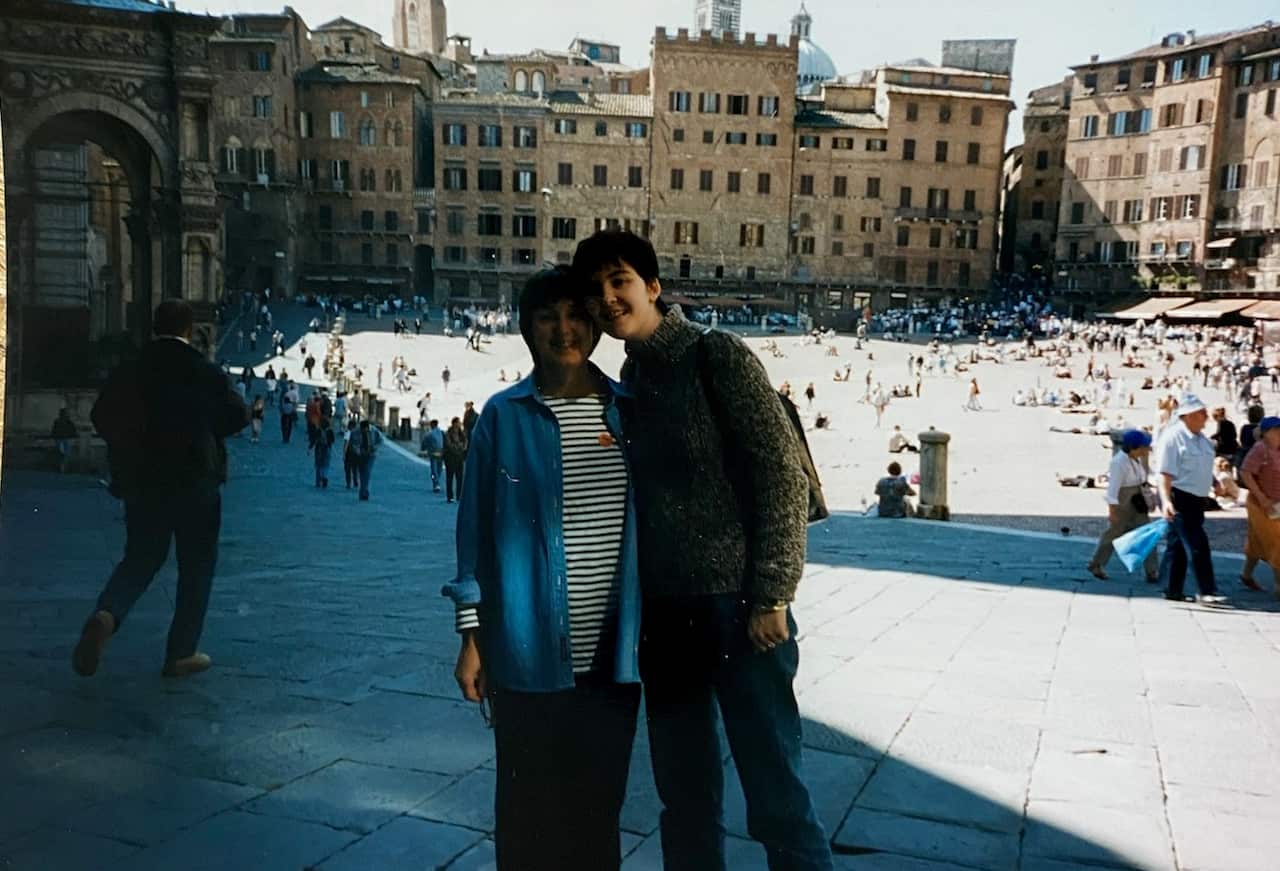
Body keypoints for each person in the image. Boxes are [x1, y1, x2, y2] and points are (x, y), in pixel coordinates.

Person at [573, 230, 833, 871]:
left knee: (777, 793)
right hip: (666, 619)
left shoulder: (717, 355)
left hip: (741, 611)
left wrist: (774, 593)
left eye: (621, 281)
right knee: (684, 799)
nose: (608, 299)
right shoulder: (628, 382)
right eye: (597, 289)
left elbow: (781, 475)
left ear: (654, 286)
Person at [443, 267, 642, 871]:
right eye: (548, 317)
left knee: (598, 815)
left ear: (595, 323)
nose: (565, 329)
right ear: (527, 328)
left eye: (576, 315)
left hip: (613, 659)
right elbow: (473, 534)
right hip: (526, 653)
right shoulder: (503, 416)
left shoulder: (628, 411)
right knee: (527, 816)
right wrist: (471, 638)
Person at [74, 300, 250, 678]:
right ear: (188, 329)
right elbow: (238, 414)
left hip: (144, 481)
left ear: (155, 326)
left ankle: (107, 614)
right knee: (197, 566)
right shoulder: (203, 370)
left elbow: (100, 415)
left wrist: (130, 448)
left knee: (140, 557)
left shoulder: (132, 369)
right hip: (195, 482)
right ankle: (180, 652)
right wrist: (204, 431)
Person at [1153, 393, 1229, 606]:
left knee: (1177, 545)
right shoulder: (1172, 438)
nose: (1206, 417)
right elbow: (1165, 473)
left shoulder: (1203, 440)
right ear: (1187, 416)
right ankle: (1206, 590)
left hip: (1197, 498)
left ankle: (1171, 588)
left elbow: (1202, 466)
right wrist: (1166, 500)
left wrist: (1214, 482)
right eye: (1201, 413)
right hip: (1179, 495)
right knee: (1197, 543)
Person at [1087, 429, 1158, 582]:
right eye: (1144, 447)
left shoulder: (1136, 460)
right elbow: (1113, 489)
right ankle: (1096, 563)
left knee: (1147, 534)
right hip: (1123, 501)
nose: (1147, 450)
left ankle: (1152, 571)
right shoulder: (1119, 462)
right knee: (1113, 534)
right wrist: (1113, 511)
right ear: (1134, 447)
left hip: (1136, 500)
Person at [1239, 416, 1280, 594]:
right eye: (1276, 429)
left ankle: (1246, 575)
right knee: (1277, 542)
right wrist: (1262, 498)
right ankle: (1279, 586)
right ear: (1265, 433)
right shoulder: (1260, 449)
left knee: (1256, 541)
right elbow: (1246, 473)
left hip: (1276, 503)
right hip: (1261, 504)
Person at [349, 419, 382, 500]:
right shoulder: (355, 432)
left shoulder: (374, 431)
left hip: (371, 454)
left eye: (365, 429)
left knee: (367, 472)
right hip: (360, 455)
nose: (364, 431)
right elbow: (352, 443)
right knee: (362, 473)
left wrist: (375, 447)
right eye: (362, 429)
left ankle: (364, 491)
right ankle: (363, 490)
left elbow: (381, 440)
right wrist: (357, 450)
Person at [443, 416, 468, 503]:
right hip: (450, 458)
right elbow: (449, 445)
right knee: (449, 478)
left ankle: (459, 496)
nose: (459, 424)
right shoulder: (448, 433)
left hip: (459, 458)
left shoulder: (461, 433)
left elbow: (465, 442)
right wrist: (459, 447)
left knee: (460, 478)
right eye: (458, 422)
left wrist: (461, 447)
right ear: (454, 423)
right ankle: (450, 497)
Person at [51, 407, 78, 473]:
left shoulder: (62, 422)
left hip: (63, 439)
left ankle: (62, 467)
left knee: (63, 454)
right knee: (64, 454)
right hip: (64, 439)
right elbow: (73, 431)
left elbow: (54, 431)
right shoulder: (67, 422)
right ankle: (63, 467)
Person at [421, 418, 445, 492]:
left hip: (433, 453)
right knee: (439, 469)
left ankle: (436, 483)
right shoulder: (442, 432)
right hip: (441, 453)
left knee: (433, 470)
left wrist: (423, 449)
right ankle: (437, 481)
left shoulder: (429, 434)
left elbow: (424, 443)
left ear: (432, 425)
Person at [314, 418, 334, 488]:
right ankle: (324, 476)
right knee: (325, 464)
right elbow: (332, 440)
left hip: (319, 449)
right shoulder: (330, 431)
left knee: (318, 465)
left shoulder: (318, 430)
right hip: (327, 448)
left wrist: (310, 447)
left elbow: (314, 439)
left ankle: (318, 481)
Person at [342, 420, 359, 489]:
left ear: (350, 426)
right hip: (357, 453)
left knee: (348, 469)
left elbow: (346, 444)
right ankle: (355, 480)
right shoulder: (358, 433)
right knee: (355, 468)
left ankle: (348, 483)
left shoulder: (348, 433)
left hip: (349, 453)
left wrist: (344, 454)